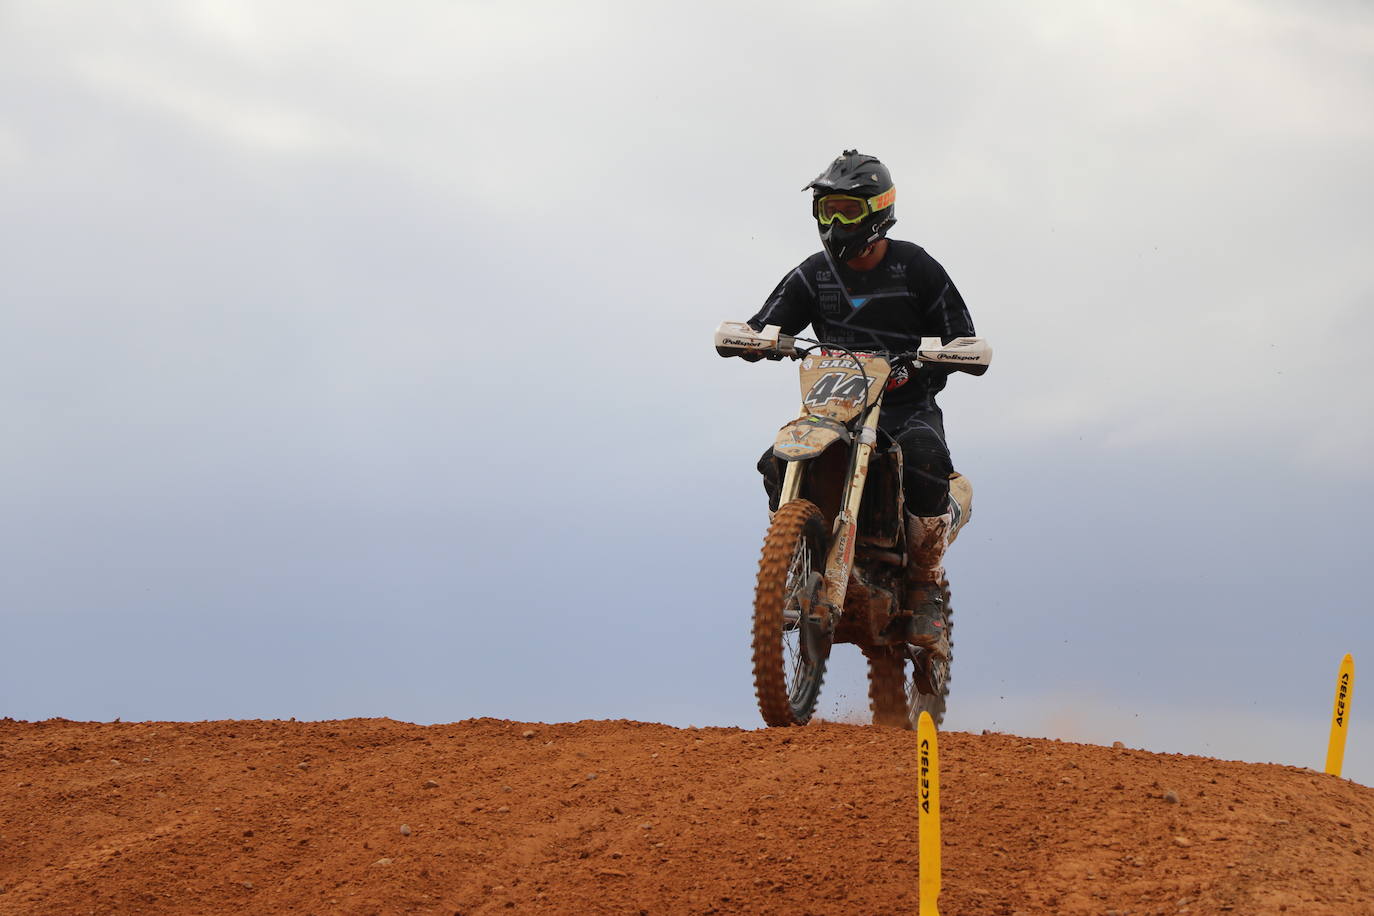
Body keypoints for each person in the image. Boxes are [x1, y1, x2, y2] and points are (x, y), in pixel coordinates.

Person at [740, 149, 983, 660]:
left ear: (878, 211)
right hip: (833, 406)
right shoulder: (815, 273)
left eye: (846, 212)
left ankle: (924, 585)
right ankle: (799, 556)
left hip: (904, 404)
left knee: (925, 461)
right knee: (775, 460)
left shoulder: (915, 267)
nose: (833, 223)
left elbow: (962, 336)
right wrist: (752, 339)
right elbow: (765, 324)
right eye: (825, 210)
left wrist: (944, 356)